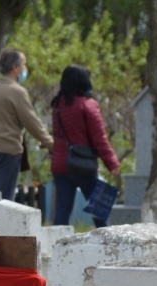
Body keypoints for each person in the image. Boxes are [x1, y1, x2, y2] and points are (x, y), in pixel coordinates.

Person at [0, 48, 54, 200]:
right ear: (14, 67)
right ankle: (1, 224)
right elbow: (32, 122)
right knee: (5, 199)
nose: (25, 69)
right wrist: (51, 143)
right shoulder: (17, 92)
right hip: (7, 151)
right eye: (23, 64)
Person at [51, 64, 120, 228]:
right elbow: (99, 138)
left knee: (62, 211)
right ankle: (108, 244)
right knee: (99, 210)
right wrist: (112, 163)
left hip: (61, 165)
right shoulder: (87, 105)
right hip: (83, 165)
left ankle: (56, 246)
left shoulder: (57, 105)